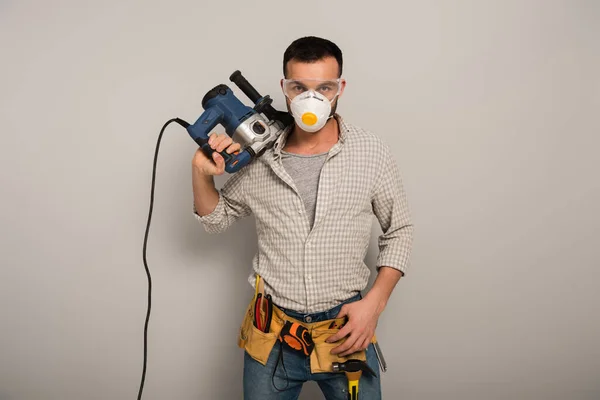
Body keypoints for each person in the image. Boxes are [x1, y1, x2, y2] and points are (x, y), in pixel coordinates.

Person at [191, 36, 413, 400]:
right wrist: (201, 173)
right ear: (284, 89)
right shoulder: (258, 157)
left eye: (325, 87)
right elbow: (216, 220)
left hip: (345, 332)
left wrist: (374, 305)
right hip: (272, 337)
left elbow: (399, 230)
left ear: (340, 87)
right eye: (300, 87)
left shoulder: (371, 152)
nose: (313, 99)